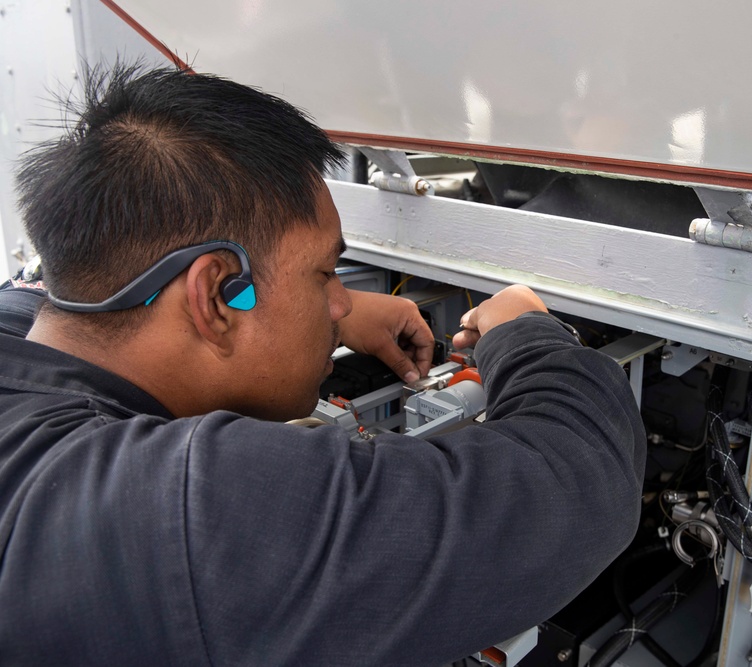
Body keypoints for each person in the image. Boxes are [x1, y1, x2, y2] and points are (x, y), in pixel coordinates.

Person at [0, 63, 646, 666]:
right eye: (324, 273)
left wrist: (317, 303)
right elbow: (576, 481)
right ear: (219, 294)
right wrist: (525, 334)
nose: (338, 299)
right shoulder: (184, 513)